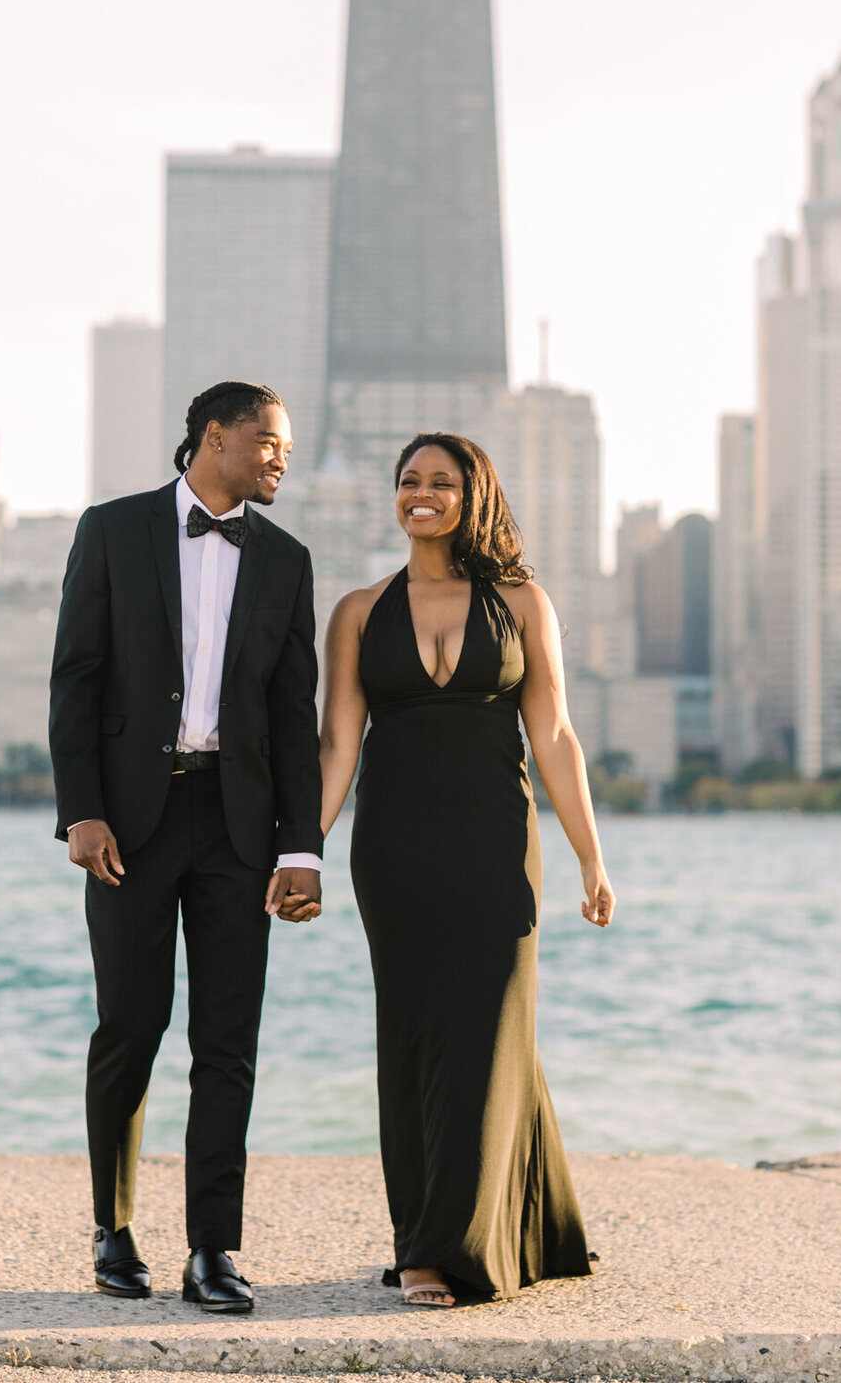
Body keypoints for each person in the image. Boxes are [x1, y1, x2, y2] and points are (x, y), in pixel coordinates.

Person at [319, 432, 615, 1307]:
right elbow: (338, 740)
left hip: (495, 843)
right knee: (412, 1035)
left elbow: (554, 735)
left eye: (440, 483)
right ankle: (424, 1246)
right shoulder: (357, 610)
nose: (421, 495)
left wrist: (590, 856)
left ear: (471, 495)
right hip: (395, 848)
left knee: (494, 1029)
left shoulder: (523, 603)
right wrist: (305, 849)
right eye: (408, 482)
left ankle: (493, 1230)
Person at [49, 381, 323, 1316]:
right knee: (130, 1026)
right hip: (129, 822)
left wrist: (304, 850)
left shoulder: (287, 560)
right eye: (268, 442)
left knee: (228, 1043)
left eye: (285, 447)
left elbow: (295, 720)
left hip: (240, 831)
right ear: (214, 437)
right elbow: (75, 680)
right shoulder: (113, 530)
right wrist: (80, 812)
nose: (281, 457)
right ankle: (112, 1230)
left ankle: (215, 1247)